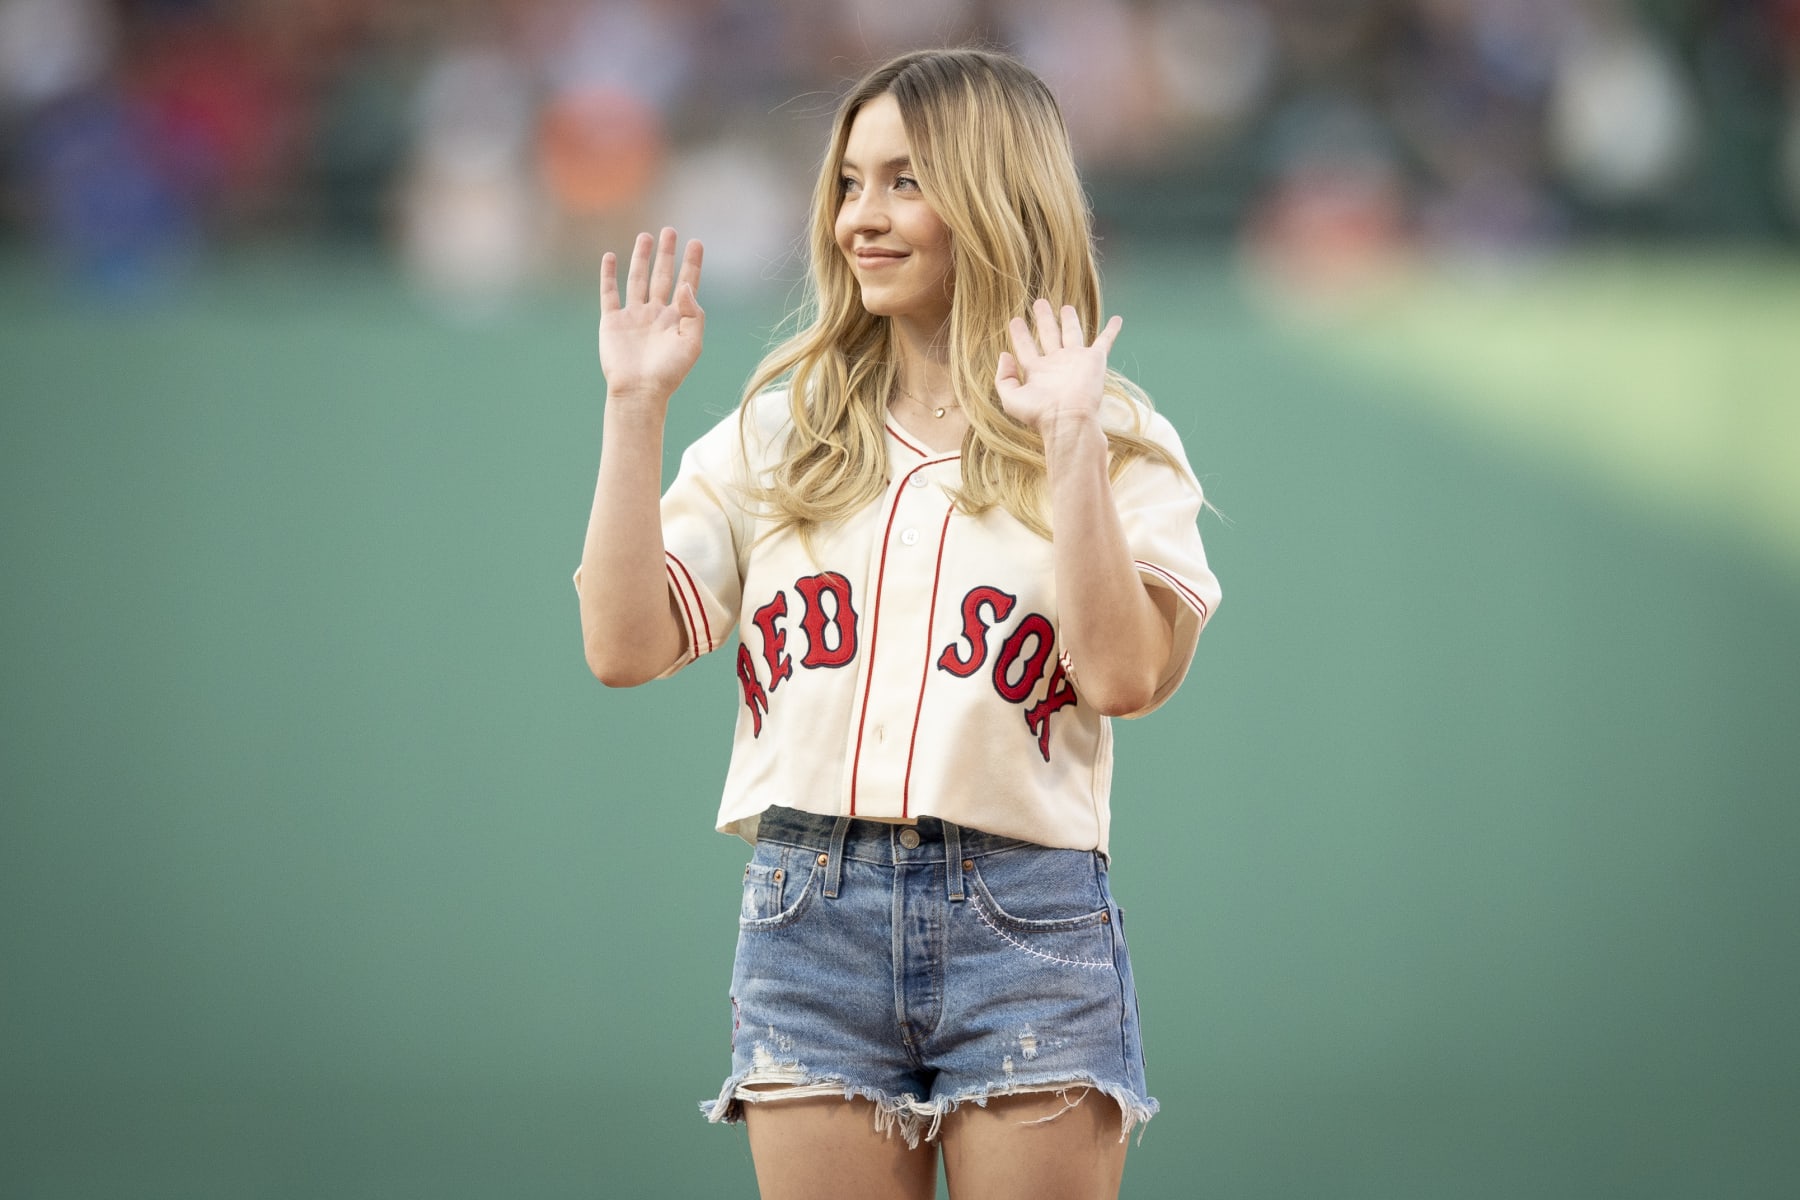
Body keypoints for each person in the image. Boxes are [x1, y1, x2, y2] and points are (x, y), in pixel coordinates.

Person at [575, 48, 1220, 1200]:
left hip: (1025, 915)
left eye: (904, 183)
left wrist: (1068, 442)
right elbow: (624, 646)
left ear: (993, 197)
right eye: (848, 184)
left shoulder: (1117, 436)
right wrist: (635, 409)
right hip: (807, 906)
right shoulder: (784, 432)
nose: (859, 220)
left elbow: (1126, 677)